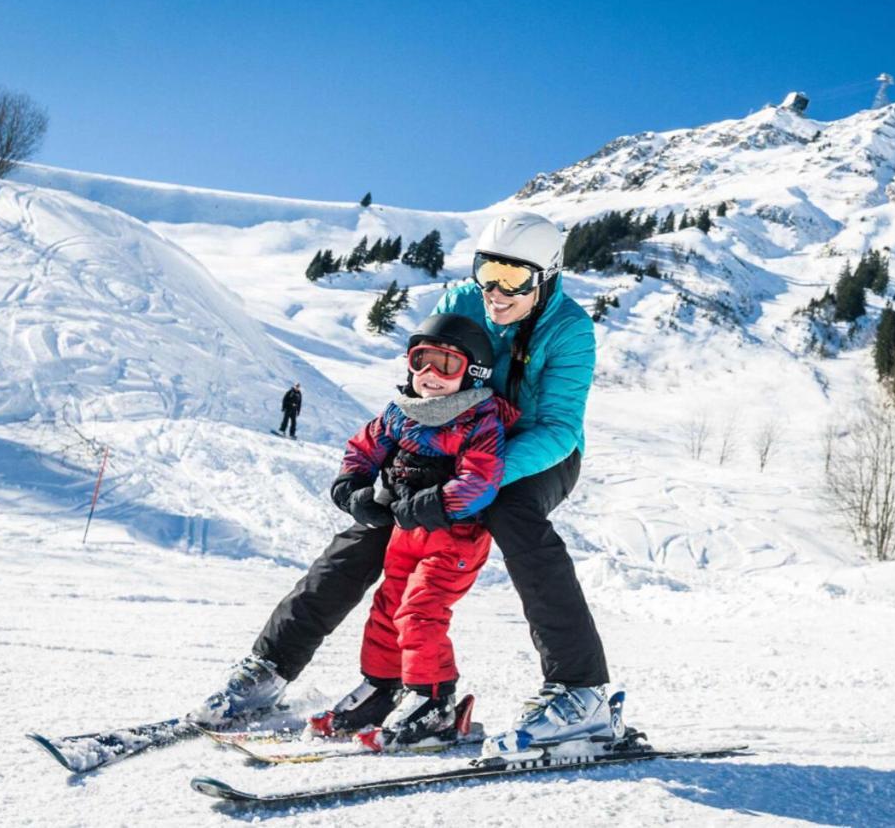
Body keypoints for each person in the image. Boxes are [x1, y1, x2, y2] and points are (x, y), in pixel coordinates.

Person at [193, 213, 614, 756]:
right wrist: (377, 473)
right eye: (489, 272)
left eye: (515, 279)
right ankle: (271, 667)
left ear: (547, 276)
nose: (496, 292)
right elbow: (422, 391)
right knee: (375, 523)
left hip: (531, 453)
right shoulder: (462, 301)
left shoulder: (569, 328)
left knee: (512, 515)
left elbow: (559, 427)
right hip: (448, 444)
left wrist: (472, 483)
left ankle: (581, 691)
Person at [305, 314, 518, 751]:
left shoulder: (478, 419)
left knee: (420, 613)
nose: (429, 376)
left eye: (445, 364)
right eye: (421, 361)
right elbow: (362, 449)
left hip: (454, 538)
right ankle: (383, 687)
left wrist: (433, 503)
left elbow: (481, 480)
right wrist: (352, 488)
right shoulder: (400, 413)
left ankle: (435, 700)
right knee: (387, 609)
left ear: (473, 371)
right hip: (406, 535)